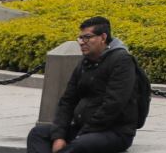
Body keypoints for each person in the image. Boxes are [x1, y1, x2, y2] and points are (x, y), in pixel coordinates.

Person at [27, 16, 140, 153]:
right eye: (80, 38)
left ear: (103, 37)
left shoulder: (122, 61)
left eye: (87, 37)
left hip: (114, 132)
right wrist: (59, 136)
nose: (81, 42)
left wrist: (82, 134)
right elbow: (67, 101)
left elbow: (113, 104)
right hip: (83, 129)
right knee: (38, 134)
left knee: (81, 145)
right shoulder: (85, 62)